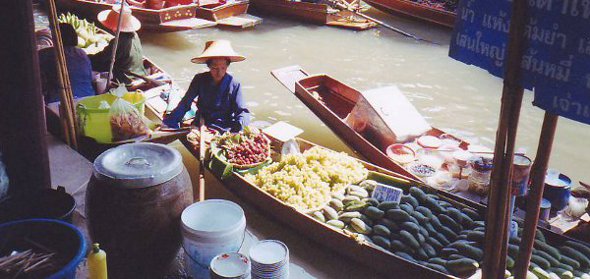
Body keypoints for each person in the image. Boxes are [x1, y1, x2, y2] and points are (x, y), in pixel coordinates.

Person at [163, 40, 251, 133]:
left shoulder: (234, 84)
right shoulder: (199, 79)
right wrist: (170, 122)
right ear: (209, 66)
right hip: (201, 124)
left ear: (227, 66)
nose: (219, 73)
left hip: (225, 127)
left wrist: (239, 128)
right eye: (215, 68)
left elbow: (242, 111)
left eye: (223, 68)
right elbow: (185, 103)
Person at [38, 23, 96, 103]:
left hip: (59, 102)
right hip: (88, 97)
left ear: (56, 38)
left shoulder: (45, 54)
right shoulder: (81, 53)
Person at [89, 6, 148, 84]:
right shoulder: (134, 35)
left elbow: (102, 58)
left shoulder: (119, 41)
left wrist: (86, 57)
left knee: (93, 65)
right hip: (140, 73)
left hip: (126, 77)